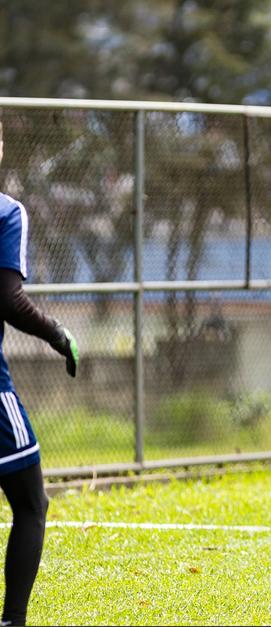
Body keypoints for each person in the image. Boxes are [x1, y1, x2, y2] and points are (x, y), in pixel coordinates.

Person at [0, 120, 79, 626]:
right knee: (31, 502)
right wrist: (57, 334)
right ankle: (13, 621)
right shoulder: (7, 211)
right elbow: (8, 299)